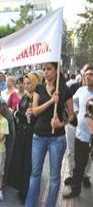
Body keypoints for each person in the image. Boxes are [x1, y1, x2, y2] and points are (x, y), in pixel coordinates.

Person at [25, 62, 74, 207]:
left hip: (57, 138)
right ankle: (30, 204)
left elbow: (71, 115)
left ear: (56, 70)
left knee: (54, 177)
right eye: (44, 69)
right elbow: (35, 111)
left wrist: (61, 124)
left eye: (49, 69)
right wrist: (51, 101)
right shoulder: (39, 88)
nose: (45, 72)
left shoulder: (65, 90)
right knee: (35, 174)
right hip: (39, 136)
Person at [8, 72, 42, 204]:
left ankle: (27, 191)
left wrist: (17, 113)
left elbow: (31, 119)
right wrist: (17, 113)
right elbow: (21, 113)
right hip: (21, 134)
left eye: (29, 83)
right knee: (20, 161)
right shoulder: (26, 97)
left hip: (30, 135)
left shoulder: (36, 98)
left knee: (28, 163)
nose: (27, 86)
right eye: (25, 83)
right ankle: (21, 188)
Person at [63, 63, 93, 198]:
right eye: (86, 75)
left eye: (91, 75)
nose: (88, 77)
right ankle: (75, 190)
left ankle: (85, 177)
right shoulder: (81, 91)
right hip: (81, 135)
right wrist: (75, 112)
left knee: (86, 162)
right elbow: (72, 101)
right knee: (78, 164)